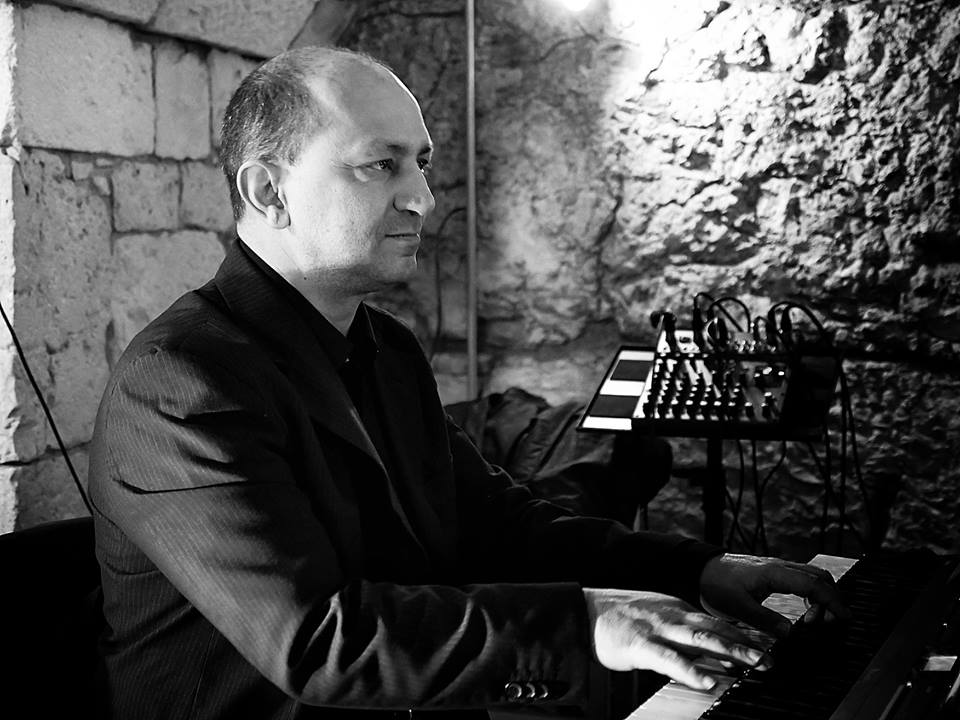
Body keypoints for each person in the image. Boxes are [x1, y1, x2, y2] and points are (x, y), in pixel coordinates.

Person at [88, 46, 845, 720]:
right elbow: (319, 640)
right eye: (381, 164)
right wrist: (590, 622)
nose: (423, 197)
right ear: (267, 192)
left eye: (421, 163)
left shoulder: (385, 347)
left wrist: (695, 568)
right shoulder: (180, 381)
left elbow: (497, 523)